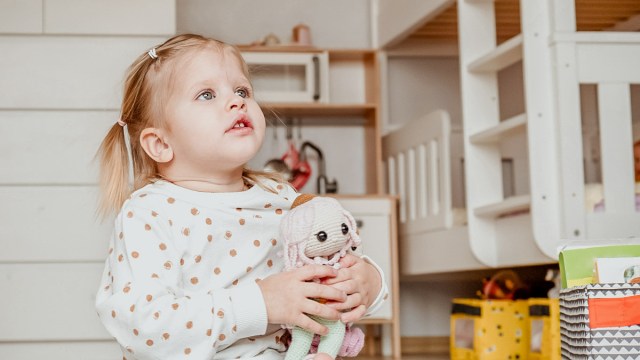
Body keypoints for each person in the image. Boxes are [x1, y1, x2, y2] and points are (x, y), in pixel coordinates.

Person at [95, 34, 387, 360]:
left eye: (242, 90)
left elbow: (323, 269)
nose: (237, 101)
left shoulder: (281, 197)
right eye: (206, 94)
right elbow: (145, 328)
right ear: (160, 143)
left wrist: (368, 283)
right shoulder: (150, 213)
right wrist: (261, 304)